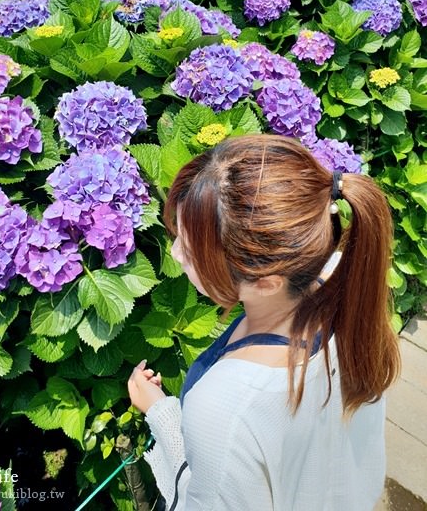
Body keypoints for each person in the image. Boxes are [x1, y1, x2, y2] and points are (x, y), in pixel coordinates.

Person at [127, 134, 400, 511]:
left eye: (190, 253)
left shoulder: (226, 403)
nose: (174, 255)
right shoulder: (353, 313)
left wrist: (161, 412)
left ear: (267, 282)